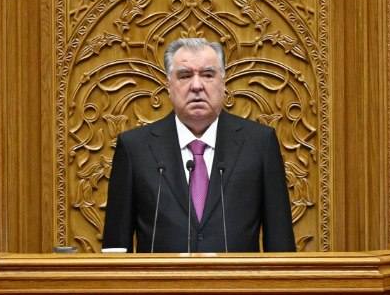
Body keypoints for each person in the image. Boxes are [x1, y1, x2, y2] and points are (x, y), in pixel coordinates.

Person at [102, 38, 296, 253]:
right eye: (185, 76)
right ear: (168, 85)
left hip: (236, 276)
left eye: (208, 75)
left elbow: (281, 244)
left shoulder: (259, 143)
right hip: (162, 276)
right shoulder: (134, 148)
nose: (196, 86)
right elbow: (115, 248)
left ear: (223, 83)